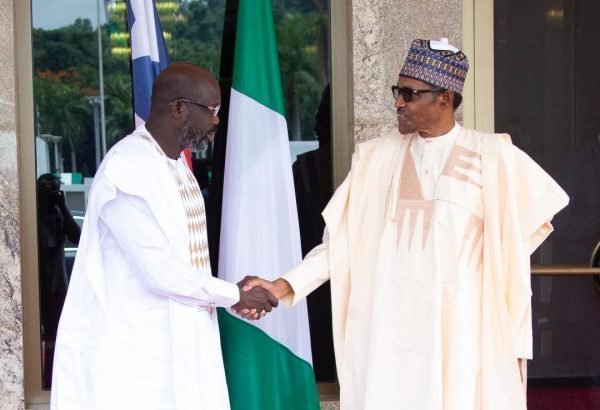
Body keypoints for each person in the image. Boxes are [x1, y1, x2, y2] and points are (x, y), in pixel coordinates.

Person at [242, 39, 569, 410]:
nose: (398, 102)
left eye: (410, 94)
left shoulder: (495, 158)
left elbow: (514, 245)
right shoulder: (375, 160)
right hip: (391, 342)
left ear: (444, 98)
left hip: (463, 340)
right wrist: (284, 285)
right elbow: (340, 246)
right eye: (398, 91)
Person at [51, 63, 278, 410]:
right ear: (178, 108)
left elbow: (187, 261)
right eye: (212, 111)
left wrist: (231, 292)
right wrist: (232, 293)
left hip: (186, 345)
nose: (216, 121)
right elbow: (158, 269)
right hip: (139, 361)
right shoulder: (128, 168)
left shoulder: (176, 166)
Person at [37, 173, 81, 387]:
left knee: (56, 339)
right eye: (45, 189)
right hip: (35, 286)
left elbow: (77, 237)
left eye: (53, 189)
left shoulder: (58, 211)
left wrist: (62, 206)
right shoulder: (30, 212)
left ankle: (51, 383)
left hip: (57, 285)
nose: (50, 193)